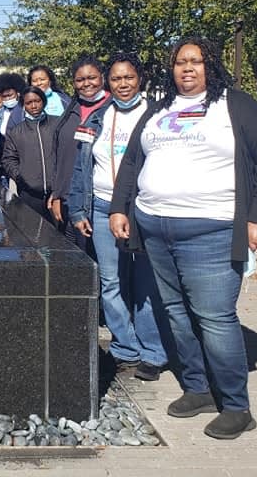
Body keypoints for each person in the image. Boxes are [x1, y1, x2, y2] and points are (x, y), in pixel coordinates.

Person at [109, 37, 257, 440]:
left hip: (212, 231)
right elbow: (134, 160)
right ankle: (197, 388)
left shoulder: (235, 106)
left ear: (211, 66)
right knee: (175, 313)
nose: (186, 68)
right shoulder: (159, 109)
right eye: (179, 62)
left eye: (196, 61)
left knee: (215, 318)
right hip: (155, 229)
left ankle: (237, 406)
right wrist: (121, 207)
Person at [67, 53, 167, 380]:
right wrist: (78, 208)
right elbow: (82, 167)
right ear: (108, 82)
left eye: (128, 78)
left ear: (139, 79)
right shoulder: (97, 117)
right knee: (110, 283)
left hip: (143, 210)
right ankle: (126, 348)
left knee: (145, 283)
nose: (122, 84)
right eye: (116, 79)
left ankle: (154, 351)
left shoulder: (156, 115)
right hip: (100, 207)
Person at [54, 55, 111, 246]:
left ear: (102, 77)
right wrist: (57, 194)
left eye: (92, 77)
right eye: (80, 80)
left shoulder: (112, 108)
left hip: (100, 202)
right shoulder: (71, 108)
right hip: (70, 198)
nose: (86, 84)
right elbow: (62, 155)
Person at [0, 86, 61, 223]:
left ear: (43, 102)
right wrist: (20, 176)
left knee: (59, 236)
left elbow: (67, 154)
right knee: (33, 234)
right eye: (28, 103)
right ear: (23, 105)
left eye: (37, 101)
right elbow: (8, 159)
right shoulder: (16, 131)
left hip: (57, 193)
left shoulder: (57, 124)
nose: (34, 106)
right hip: (29, 194)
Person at [0, 73, 28, 179]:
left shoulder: (24, 110)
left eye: (10, 95)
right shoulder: (0, 113)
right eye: (4, 96)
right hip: (3, 152)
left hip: (22, 153)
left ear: (17, 93)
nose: (8, 99)